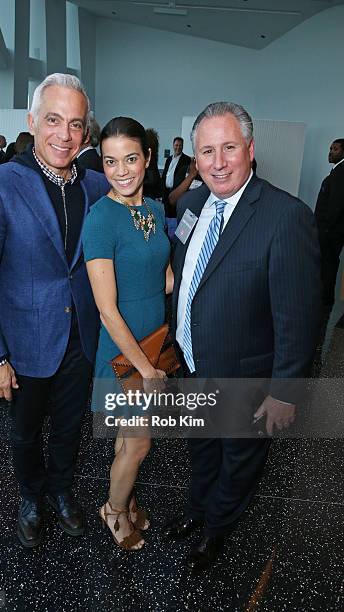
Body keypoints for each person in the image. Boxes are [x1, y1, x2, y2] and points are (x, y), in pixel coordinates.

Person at [164, 101, 321, 571]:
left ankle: (216, 529)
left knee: (238, 460)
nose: (218, 162)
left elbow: (298, 318)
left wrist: (284, 391)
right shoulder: (192, 205)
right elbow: (188, 274)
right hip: (192, 366)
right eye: (207, 151)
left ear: (250, 150)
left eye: (228, 147)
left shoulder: (284, 217)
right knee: (201, 446)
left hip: (247, 377)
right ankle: (197, 508)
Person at [0, 73, 109, 548]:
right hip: (22, 343)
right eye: (53, 120)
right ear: (32, 121)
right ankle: (30, 495)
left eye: (75, 124)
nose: (64, 135)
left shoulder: (99, 187)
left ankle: (62, 492)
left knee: (69, 428)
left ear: (86, 132)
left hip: (81, 338)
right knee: (24, 434)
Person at [82, 117, 173, 550]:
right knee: (139, 444)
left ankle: (124, 497)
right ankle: (114, 511)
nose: (121, 170)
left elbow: (166, 277)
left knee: (128, 439)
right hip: (124, 354)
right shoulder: (100, 218)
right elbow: (106, 309)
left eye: (130, 158)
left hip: (154, 342)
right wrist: (146, 369)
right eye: (111, 161)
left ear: (148, 158)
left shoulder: (154, 209)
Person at [314, 138, 344, 318]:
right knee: (327, 266)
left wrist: (325, 232)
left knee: (328, 266)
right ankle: (325, 301)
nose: (331, 152)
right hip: (329, 232)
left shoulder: (340, 173)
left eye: (335, 149)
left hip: (330, 234)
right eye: (330, 148)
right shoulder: (336, 172)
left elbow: (336, 205)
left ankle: (325, 303)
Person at [162, 137, 191, 217]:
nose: (178, 147)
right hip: (166, 192)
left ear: (183, 146)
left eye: (180, 145)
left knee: (175, 217)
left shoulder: (187, 160)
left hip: (178, 193)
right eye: (176, 145)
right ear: (173, 146)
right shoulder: (168, 159)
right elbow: (164, 175)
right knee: (167, 216)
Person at [143, 128, 163, 200]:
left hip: (147, 194)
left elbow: (151, 179)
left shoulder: (148, 157)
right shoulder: (153, 156)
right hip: (152, 195)